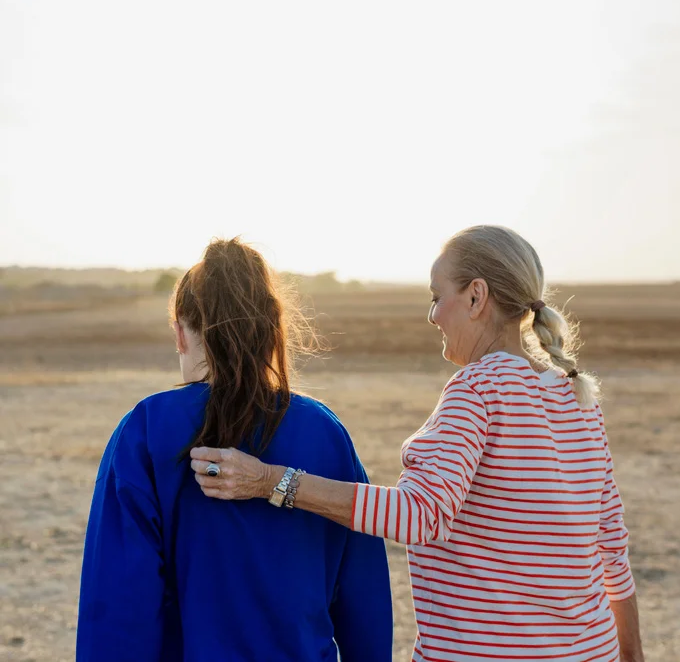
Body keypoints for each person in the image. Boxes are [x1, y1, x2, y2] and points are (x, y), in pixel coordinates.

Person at [191, 225, 645, 662]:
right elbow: (610, 543)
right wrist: (632, 653)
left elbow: (418, 514)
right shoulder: (575, 394)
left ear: (475, 296)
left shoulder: (479, 390)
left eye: (436, 297)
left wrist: (271, 481)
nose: (432, 316)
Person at [77, 238, 393, 662]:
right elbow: (363, 596)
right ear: (269, 330)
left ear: (180, 333)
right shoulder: (326, 432)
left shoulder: (147, 430)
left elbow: (118, 602)